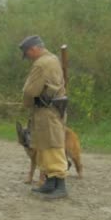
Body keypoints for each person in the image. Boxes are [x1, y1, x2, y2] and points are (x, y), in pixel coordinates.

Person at [19, 35, 68, 199]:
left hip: (46, 111)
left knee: (52, 146)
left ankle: (60, 185)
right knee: (46, 146)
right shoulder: (53, 59)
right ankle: (50, 182)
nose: (28, 58)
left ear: (33, 49)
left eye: (27, 54)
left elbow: (30, 91)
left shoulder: (41, 64)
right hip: (52, 109)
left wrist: (25, 103)